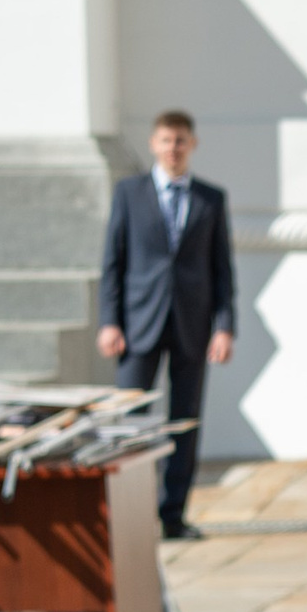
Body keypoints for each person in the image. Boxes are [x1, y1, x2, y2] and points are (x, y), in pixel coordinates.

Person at [97, 110, 235, 539]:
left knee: (185, 422)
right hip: (138, 325)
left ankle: (173, 515)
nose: (172, 148)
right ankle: (129, 515)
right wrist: (109, 322)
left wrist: (225, 326)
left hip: (192, 326)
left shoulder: (211, 199)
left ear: (191, 145)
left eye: (180, 141)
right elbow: (113, 264)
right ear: (154, 145)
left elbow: (222, 270)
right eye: (165, 141)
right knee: (130, 421)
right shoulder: (129, 194)